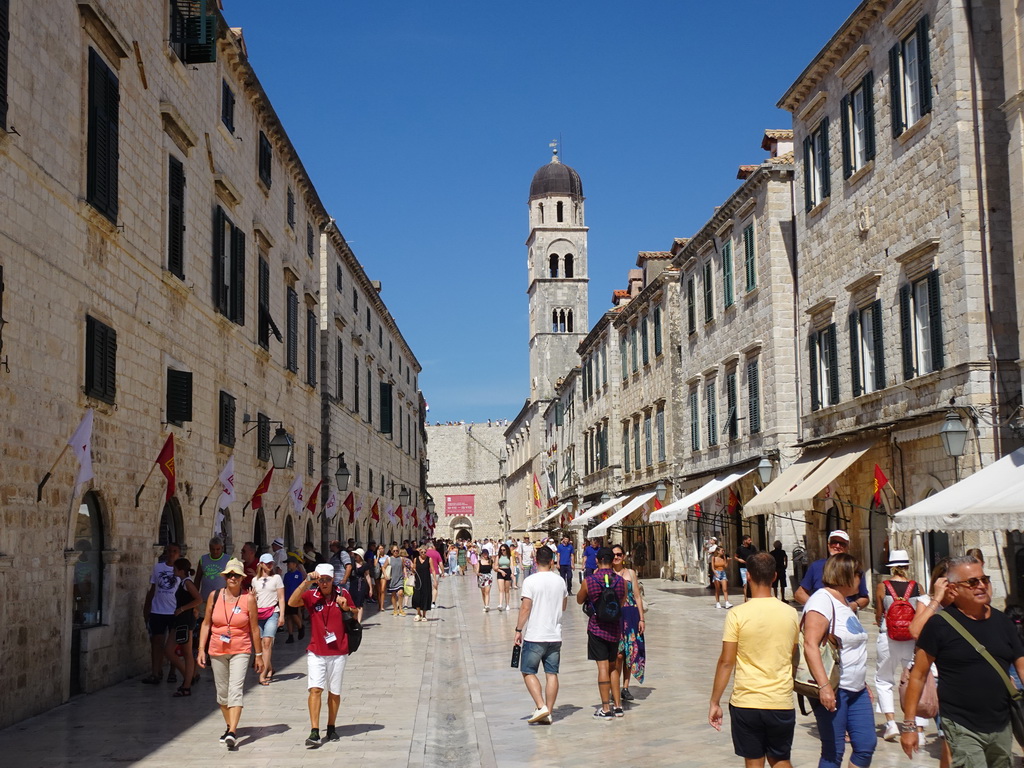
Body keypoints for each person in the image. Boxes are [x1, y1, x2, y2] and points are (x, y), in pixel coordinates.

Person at [902, 555, 1024, 767]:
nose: (982, 586)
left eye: (984, 579)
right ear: (953, 589)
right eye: (972, 582)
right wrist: (910, 726)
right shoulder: (939, 626)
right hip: (961, 724)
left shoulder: (1003, 622)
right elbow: (918, 676)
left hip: (1001, 723)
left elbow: (1021, 665)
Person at [708, 552, 800, 768]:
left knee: (753, 761)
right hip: (780, 700)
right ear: (775, 576)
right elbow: (792, 655)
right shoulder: (791, 614)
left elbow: (726, 662)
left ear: (747, 576)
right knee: (780, 759)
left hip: (747, 701)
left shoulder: (737, 615)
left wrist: (715, 702)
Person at [802, 553, 876, 768]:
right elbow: (810, 644)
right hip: (835, 688)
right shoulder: (821, 600)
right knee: (833, 751)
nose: (860, 579)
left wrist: (862, 681)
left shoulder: (844, 602)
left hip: (857, 688)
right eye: (858, 574)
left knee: (865, 745)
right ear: (844, 575)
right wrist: (824, 686)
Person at [196, 557, 263, 750]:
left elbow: (254, 629)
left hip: (241, 649)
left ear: (242, 578)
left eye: (236, 575)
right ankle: (229, 725)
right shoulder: (214, 596)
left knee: (235, 690)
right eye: (229, 575)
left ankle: (233, 732)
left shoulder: (248, 599)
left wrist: (258, 655)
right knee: (222, 694)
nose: (232, 578)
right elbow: (206, 623)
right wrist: (201, 649)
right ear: (225, 577)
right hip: (217, 649)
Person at [288, 563, 357, 748]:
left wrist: (346, 609)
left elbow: (356, 614)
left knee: (334, 692)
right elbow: (292, 603)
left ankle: (331, 726)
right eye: (321, 580)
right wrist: (306, 582)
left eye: (327, 579)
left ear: (332, 579)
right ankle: (315, 730)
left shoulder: (342, 594)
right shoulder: (312, 595)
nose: (324, 583)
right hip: (316, 651)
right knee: (315, 689)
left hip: (338, 651)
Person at [873, 549, 925, 742]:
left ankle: (891, 723)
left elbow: (879, 614)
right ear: (907, 566)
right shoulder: (918, 587)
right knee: (915, 680)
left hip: (889, 637)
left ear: (892, 567)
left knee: (884, 679)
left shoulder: (882, 587)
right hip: (911, 638)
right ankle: (918, 729)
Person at [514, 545, 567, 725]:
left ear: (536, 562)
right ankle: (548, 712)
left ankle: (541, 706)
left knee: (528, 671)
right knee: (551, 673)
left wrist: (518, 629)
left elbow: (525, 608)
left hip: (535, 635)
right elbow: (564, 606)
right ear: (552, 561)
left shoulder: (531, 581)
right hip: (554, 635)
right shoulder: (560, 581)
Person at [576, 547, 627, 719]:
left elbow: (579, 599)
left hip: (597, 628)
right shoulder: (620, 581)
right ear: (613, 560)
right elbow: (623, 600)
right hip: (614, 628)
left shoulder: (589, 581)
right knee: (613, 667)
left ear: (597, 561)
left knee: (602, 667)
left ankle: (606, 708)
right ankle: (618, 706)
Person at [794, 530, 869, 611]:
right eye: (834, 542)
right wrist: (817, 606)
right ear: (828, 544)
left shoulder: (854, 568)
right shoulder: (816, 566)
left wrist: (853, 606)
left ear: (848, 547)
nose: (837, 546)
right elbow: (799, 594)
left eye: (842, 544)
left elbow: (864, 597)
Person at [142, 543, 181, 684]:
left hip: (174, 612)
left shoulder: (181, 570)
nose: (172, 554)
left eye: (175, 551)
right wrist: (146, 609)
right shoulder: (158, 568)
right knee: (156, 643)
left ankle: (172, 672)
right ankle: (155, 673)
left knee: (173, 646)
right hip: (157, 611)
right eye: (169, 551)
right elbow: (153, 589)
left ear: (179, 554)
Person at [611, 545, 646, 702]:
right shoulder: (607, 573)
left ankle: (625, 687)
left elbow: (637, 596)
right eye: (614, 555)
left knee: (629, 653)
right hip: (615, 617)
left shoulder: (631, 573)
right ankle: (615, 686)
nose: (617, 557)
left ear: (623, 556)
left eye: (619, 554)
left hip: (630, 615)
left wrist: (641, 619)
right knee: (617, 655)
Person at [168, 557, 201, 697]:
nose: (173, 571)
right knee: (169, 650)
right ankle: (188, 677)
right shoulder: (183, 583)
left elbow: (198, 599)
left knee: (187, 654)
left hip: (185, 621)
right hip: (180, 621)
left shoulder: (187, 583)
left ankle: (186, 685)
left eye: (175, 569)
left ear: (181, 570)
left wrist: (182, 609)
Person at [252, 553, 285, 685]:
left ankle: (263, 674)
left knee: (267, 642)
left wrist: (282, 615)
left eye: (271, 563)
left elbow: (281, 598)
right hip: (258, 614)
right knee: (259, 645)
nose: (270, 565)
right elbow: (254, 599)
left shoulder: (277, 578)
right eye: (267, 563)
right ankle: (269, 668)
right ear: (261, 564)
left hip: (272, 612)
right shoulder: (255, 580)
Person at [282, 556, 306, 643]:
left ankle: (300, 626)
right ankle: (290, 635)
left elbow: (301, 586)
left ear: (294, 564)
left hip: (295, 598)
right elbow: (284, 586)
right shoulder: (286, 575)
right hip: (287, 597)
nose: (288, 565)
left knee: (294, 614)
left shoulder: (298, 574)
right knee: (288, 616)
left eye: (289, 563)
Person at [347, 548, 372, 622]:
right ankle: (353, 619)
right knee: (352, 602)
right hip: (352, 584)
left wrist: (370, 588)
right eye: (355, 555)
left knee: (360, 603)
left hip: (361, 584)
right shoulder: (352, 564)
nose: (355, 556)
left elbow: (367, 576)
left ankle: (359, 621)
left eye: (356, 555)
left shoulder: (365, 565)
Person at [386, 544, 409, 617]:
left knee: (400, 593)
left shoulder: (401, 559)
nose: (396, 552)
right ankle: (395, 609)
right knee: (393, 595)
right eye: (394, 551)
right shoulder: (389, 559)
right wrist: (385, 574)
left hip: (400, 578)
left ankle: (401, 609)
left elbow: (403, 567)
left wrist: (405, 574)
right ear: (391, 551)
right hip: (392, 579)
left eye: (397, 550)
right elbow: (383, 567)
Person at [734, 535, 758, 601]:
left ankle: (753, 597)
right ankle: (745, 599)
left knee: (752, 583)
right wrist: (739, 560)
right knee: (745, 583)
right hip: (743, 568)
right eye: (749, 540)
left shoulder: (753, 548)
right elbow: (735, 556)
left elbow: (756, 555)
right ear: (744, 541)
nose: (750, 541)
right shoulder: (740, 548)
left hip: (751, 567)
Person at [411, 547, 433, 622]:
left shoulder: (429, 559)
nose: (423, 554)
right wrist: (412, 570)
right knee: (417, 596)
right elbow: (414, 569)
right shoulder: (415, 559)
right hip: (418, 580)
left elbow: (432, 570)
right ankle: (418, 613)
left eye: (424, 552)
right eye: (421, 552)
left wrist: (435, 580)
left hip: (426, 580)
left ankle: (424, 615)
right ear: (419, 552)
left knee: (425, 596)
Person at [495, 544, 514, 611]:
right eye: (501, 550)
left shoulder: (510, 557)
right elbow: (495, 567)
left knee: (507, 590)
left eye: (504, 550)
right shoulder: (498, 557)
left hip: (507, 571)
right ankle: (500, 604)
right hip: (500, 571)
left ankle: (507, 604)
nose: (502, 551)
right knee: (501, 589)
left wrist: (512, 573)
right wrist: (501, 571)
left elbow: (511, 565)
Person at [426, 540, 443, 608]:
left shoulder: (425, 553)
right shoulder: (436, 553)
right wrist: (443, 571)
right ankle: (433, 603)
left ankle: (427, 601)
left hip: (426, 572)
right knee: (435, 587)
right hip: (435, 573)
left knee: (427, 587)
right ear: (432, 546)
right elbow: (440, 563)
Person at [476, 546, 494, 612]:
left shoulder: (490, 561)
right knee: (483, 592)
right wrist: (477, 573)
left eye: (486, 553)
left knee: (487, 592)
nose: (485, 555)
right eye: (484, 553)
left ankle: (487, 605)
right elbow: (477, 570)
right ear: (482, 554)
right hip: (481, 577)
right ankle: (485, 604)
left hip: (488, 577)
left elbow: (494, 568)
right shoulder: (479, 562)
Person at [375, 545, 389, 611]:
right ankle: (379, 605)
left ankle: (382, 606)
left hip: (384, 573)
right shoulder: (375, 557)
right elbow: (375, 564)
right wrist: (377, 556)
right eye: (379, 549)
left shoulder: (387, 557)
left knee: (383, 590)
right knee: (378, 590)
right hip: (378, 573)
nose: (381, 550)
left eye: (382, 548)